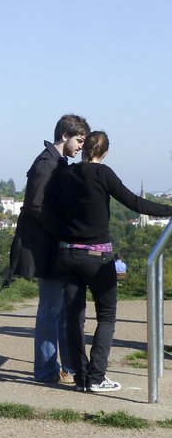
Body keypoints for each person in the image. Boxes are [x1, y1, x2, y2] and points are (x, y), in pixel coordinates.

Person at [52, 130, 172, 392]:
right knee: (106, 316)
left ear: (84, 150)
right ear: (105, 152)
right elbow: (135, 203)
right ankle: (96, 377)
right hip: (97, 256)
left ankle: (81, 379)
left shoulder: (65, 174)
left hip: (68, 254)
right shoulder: (103, 174)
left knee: (74, 318)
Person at [6, 114, 90, 384]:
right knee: (51, 309)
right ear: (66, 136)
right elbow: (35, 206)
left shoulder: (55, 161)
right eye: (79, 140)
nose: (80, 147)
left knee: (62, 308)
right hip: (46, 247)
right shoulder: (46, 164)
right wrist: (63, 230)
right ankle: (46, 370)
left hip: (53, 245)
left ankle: (67, 367)